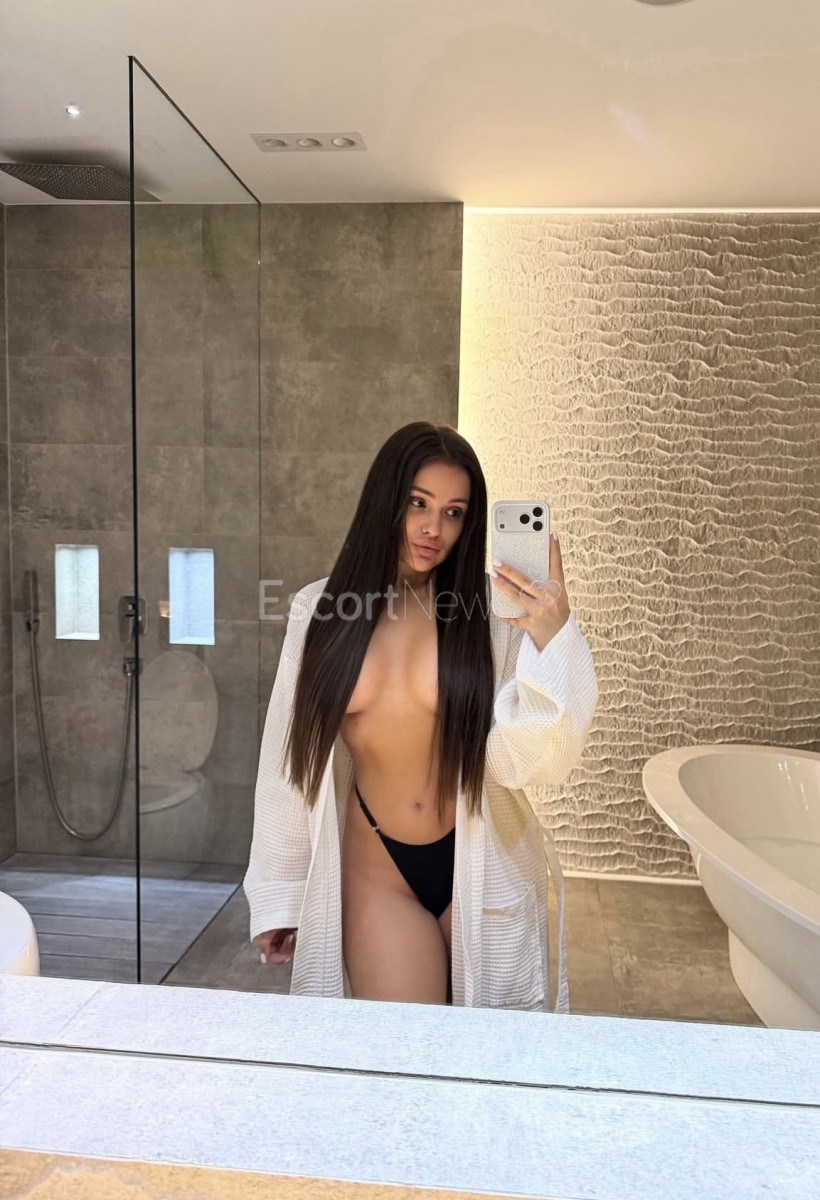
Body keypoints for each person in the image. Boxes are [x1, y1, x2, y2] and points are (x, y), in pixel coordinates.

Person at [244, 421, 598, 1010]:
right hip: (379, 868)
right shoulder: (320, 611)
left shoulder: (491, 615)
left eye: (454, 513)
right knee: (406, 1049)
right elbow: (288, 758)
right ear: (385, 500)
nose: (434, 528)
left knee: (490, 1050)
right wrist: (279, 893)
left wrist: (551, 638)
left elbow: (529, 762)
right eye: (418, 504)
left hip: (482, 858)